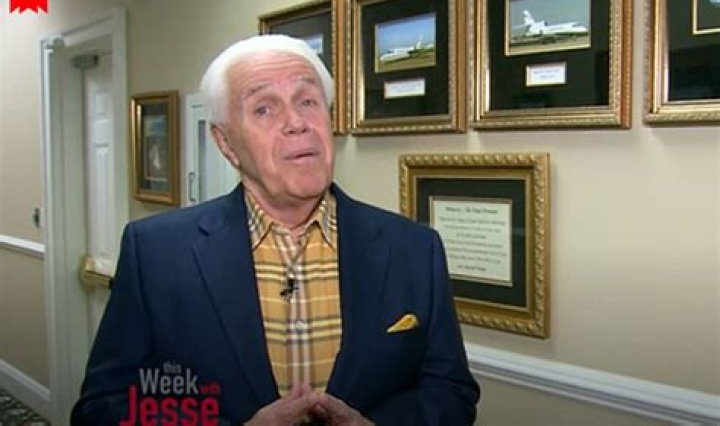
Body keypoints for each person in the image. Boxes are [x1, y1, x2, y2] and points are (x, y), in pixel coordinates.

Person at [71, 34, 479, 425]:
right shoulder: (156, 253)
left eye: (308, 101)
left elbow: (450, 392)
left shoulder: (414, 248)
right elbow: (104, 406)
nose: (297, 122)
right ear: (226, 143)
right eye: (264, 109)